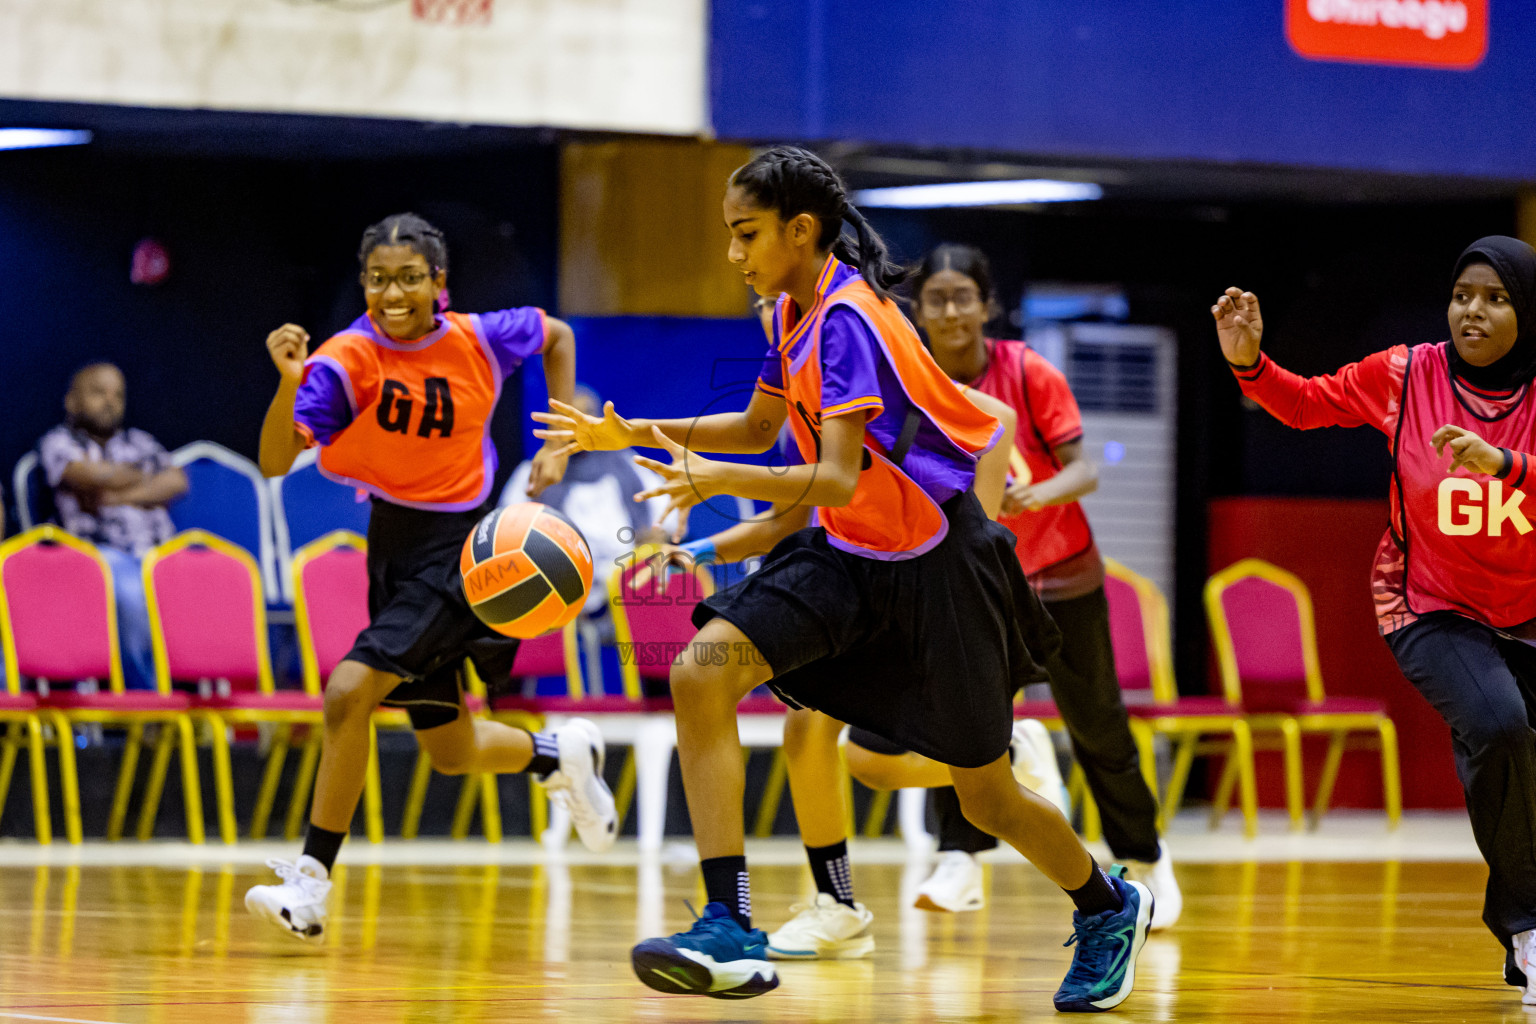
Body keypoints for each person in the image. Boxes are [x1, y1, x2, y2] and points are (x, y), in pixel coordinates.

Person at [536, 147, 1152, 1012]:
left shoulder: (848, 321)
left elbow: (831, 478)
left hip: (942, 564)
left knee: (986, 794)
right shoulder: (791, 313)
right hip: (852, 557)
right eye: (727, 235)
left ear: (801, 230)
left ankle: (1108, 904)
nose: (733, 253)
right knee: (700, 672)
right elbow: (758, 426)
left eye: (745, 233)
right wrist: (631, 431)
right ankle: (728, 924)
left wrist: (707, 478)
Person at [244, 212, 618, 942]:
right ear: (363, 283)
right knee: (451, 751)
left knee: (349, 691)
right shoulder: (345, 361)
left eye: (410, 278)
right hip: (391, 545)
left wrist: (562, 438)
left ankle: (311, 882)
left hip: (463, 550)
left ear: (438, 284)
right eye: (379, 279)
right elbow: (273, 461)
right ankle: (557, 754)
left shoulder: (480, 335)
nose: (393, 293)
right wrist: (288, 385)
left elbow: (559, 336)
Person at [1213, 236, 1536, 1002]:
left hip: (1527, 610)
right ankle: (1528, 927)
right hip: (1426, 602)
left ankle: (1516, 911)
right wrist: (1249, 362)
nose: (1473, 312)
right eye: (1463, 295)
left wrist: (1506, 466)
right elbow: (1303, 404)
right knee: (1497, 725)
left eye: (1495, 298)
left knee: (1515, 759)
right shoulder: (1406, 373)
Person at [842, 245, 1181, 928]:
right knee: (957, 720)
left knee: (1098, 725)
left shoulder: (1029, 374)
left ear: (987, 306)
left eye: (963, 296)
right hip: (976, 582)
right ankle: (960, 858)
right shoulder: (909, 380)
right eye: (935, 297)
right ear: (919, 309)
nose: (949, 310)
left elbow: (1083, 472)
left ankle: (1143, 858)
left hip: (1061, 575)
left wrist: (1034, 496)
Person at [38, 363, 188, 690]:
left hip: (159, 552)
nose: (110, 401)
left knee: (220, 581)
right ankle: (149, 701)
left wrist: (114, 494)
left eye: (117, 394)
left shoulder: (140, 440)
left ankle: (203, 700)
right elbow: (86, 476)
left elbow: (176, 481)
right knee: (132, 592)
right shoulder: (58, 442)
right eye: (97, 392)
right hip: (96, 555)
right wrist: (145, 479)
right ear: (72, 401)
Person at [499, 384, 670, 646]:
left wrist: (656, 535)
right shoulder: (533, 473)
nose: (579, 426)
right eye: (570, 418)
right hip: (563, 590)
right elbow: (507, 532)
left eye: (586, 415)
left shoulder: (628, 464)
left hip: (629, 586)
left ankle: (656, 680)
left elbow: (666, 515)